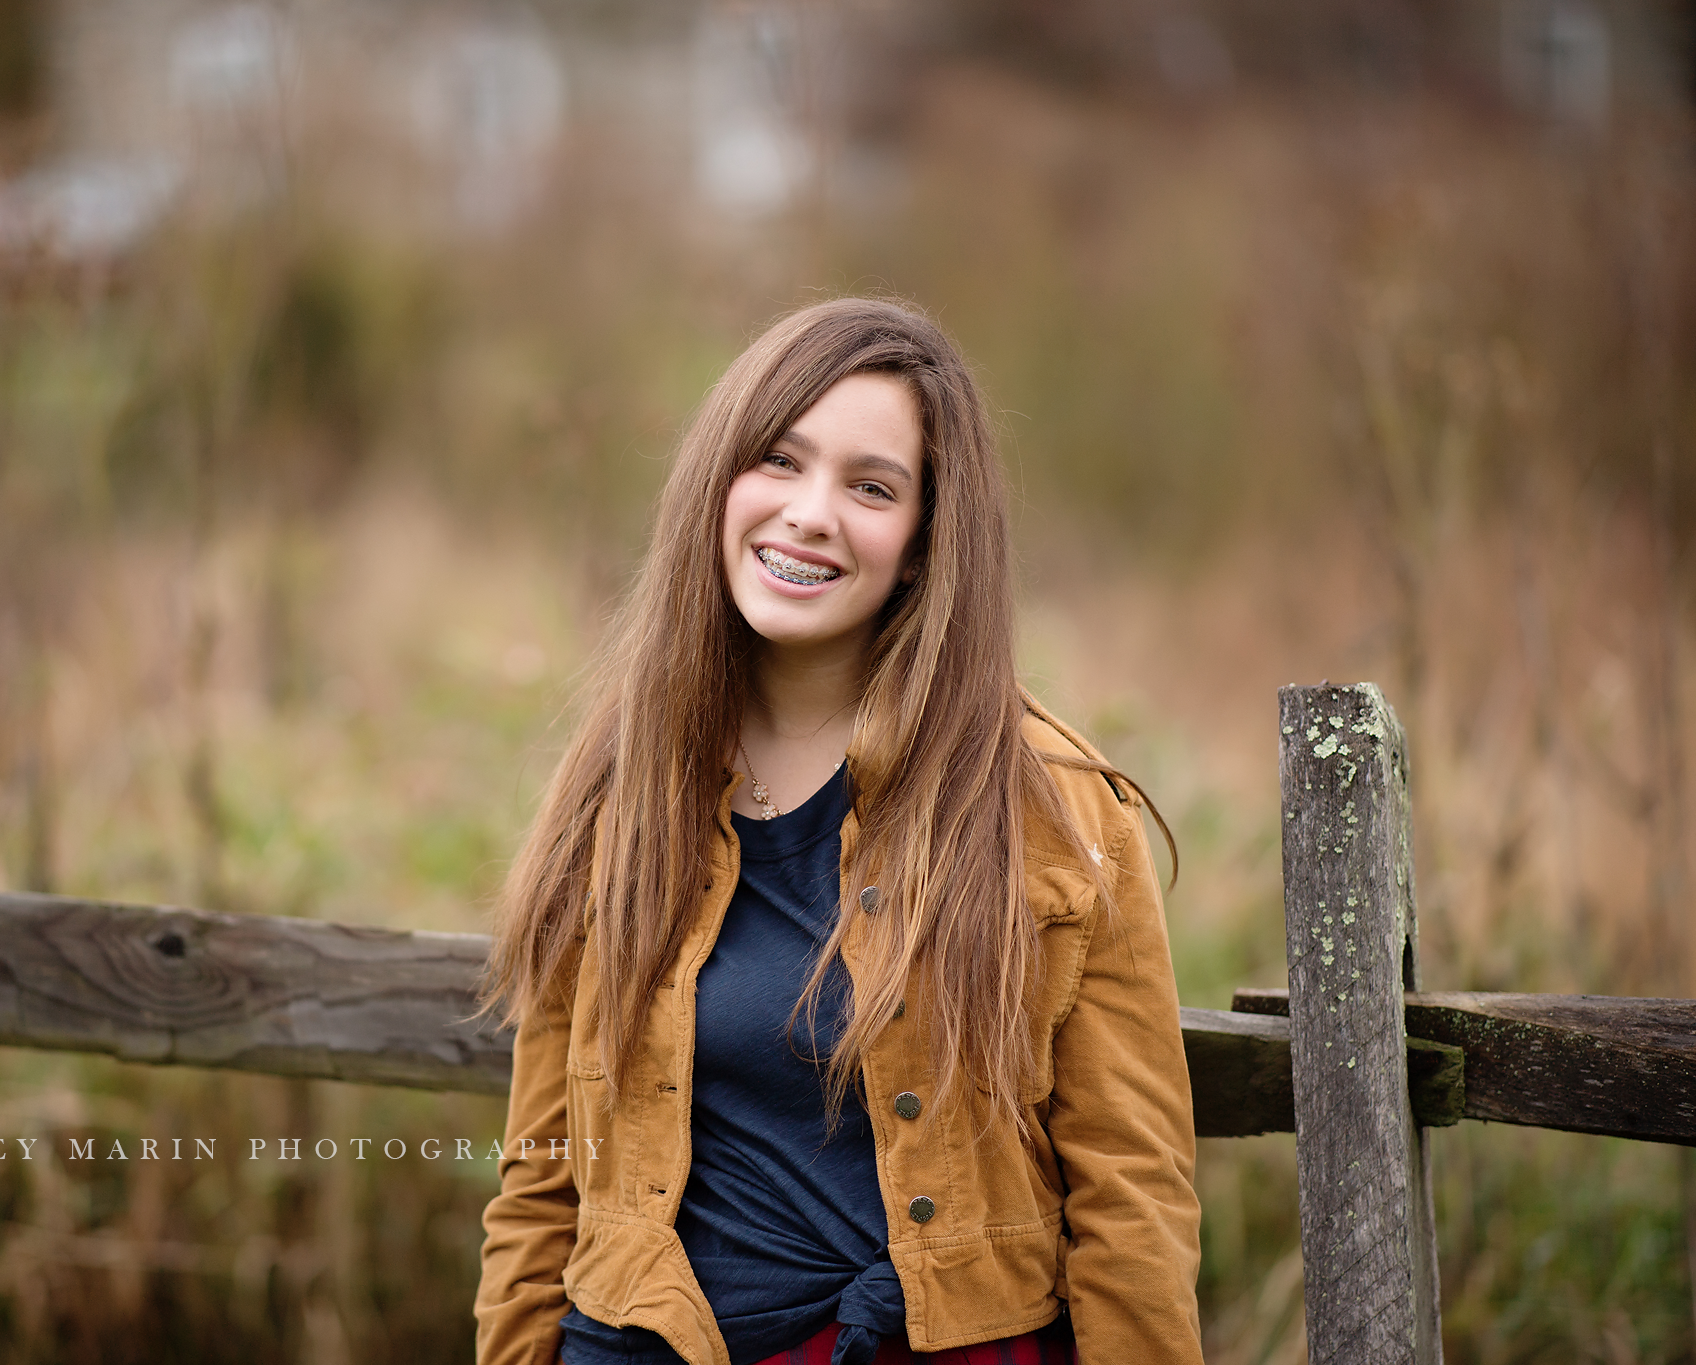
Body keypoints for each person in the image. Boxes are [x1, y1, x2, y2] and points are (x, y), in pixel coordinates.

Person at [473, 297, 1202, 1365]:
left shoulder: (1049, 807)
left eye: (870, 487)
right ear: (716, 484)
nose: (810, 514)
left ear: (918, 544)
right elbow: (542, 1174)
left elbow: (1128, 1193)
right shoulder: (616, 792)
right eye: (778, 460)